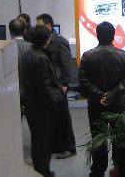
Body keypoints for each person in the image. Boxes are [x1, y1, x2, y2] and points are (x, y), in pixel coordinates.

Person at [79, 21, 125, 177]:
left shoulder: (87, 56)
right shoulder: (124, 55)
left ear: (97, 35)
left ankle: (97, 170)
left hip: (96, 104)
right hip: (118, 103)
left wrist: (100, 95)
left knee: (98, 138)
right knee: (120, 137)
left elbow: (83, 80)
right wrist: (112, 95)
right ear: (114, 35)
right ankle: (119, 168)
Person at [22, 25, 64, 177]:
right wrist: (56, 102)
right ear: (46, 39)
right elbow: (45, 88)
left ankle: (42, 170)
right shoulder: (41, 58)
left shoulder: (28, 54)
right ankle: (43, 172)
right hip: (42, 108)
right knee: (43, 143)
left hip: (32, 105)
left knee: (38, 141)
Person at [36, 13, 77, 160]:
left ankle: (69, 147)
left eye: (40, 25)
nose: (37, 29)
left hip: (60, 85)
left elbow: (67, 64)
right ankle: (58, 145)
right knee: (55, 117)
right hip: (51, 85)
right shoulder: (44, 42)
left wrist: (65, 84)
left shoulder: (59, 41)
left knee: (64, 118)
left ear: (48, 25)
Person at [9, 18, 31, 109]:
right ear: (25, 31)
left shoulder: (6, 49)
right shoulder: (32, 47)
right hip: (31, 89)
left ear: (10, 31)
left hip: (11, 89)